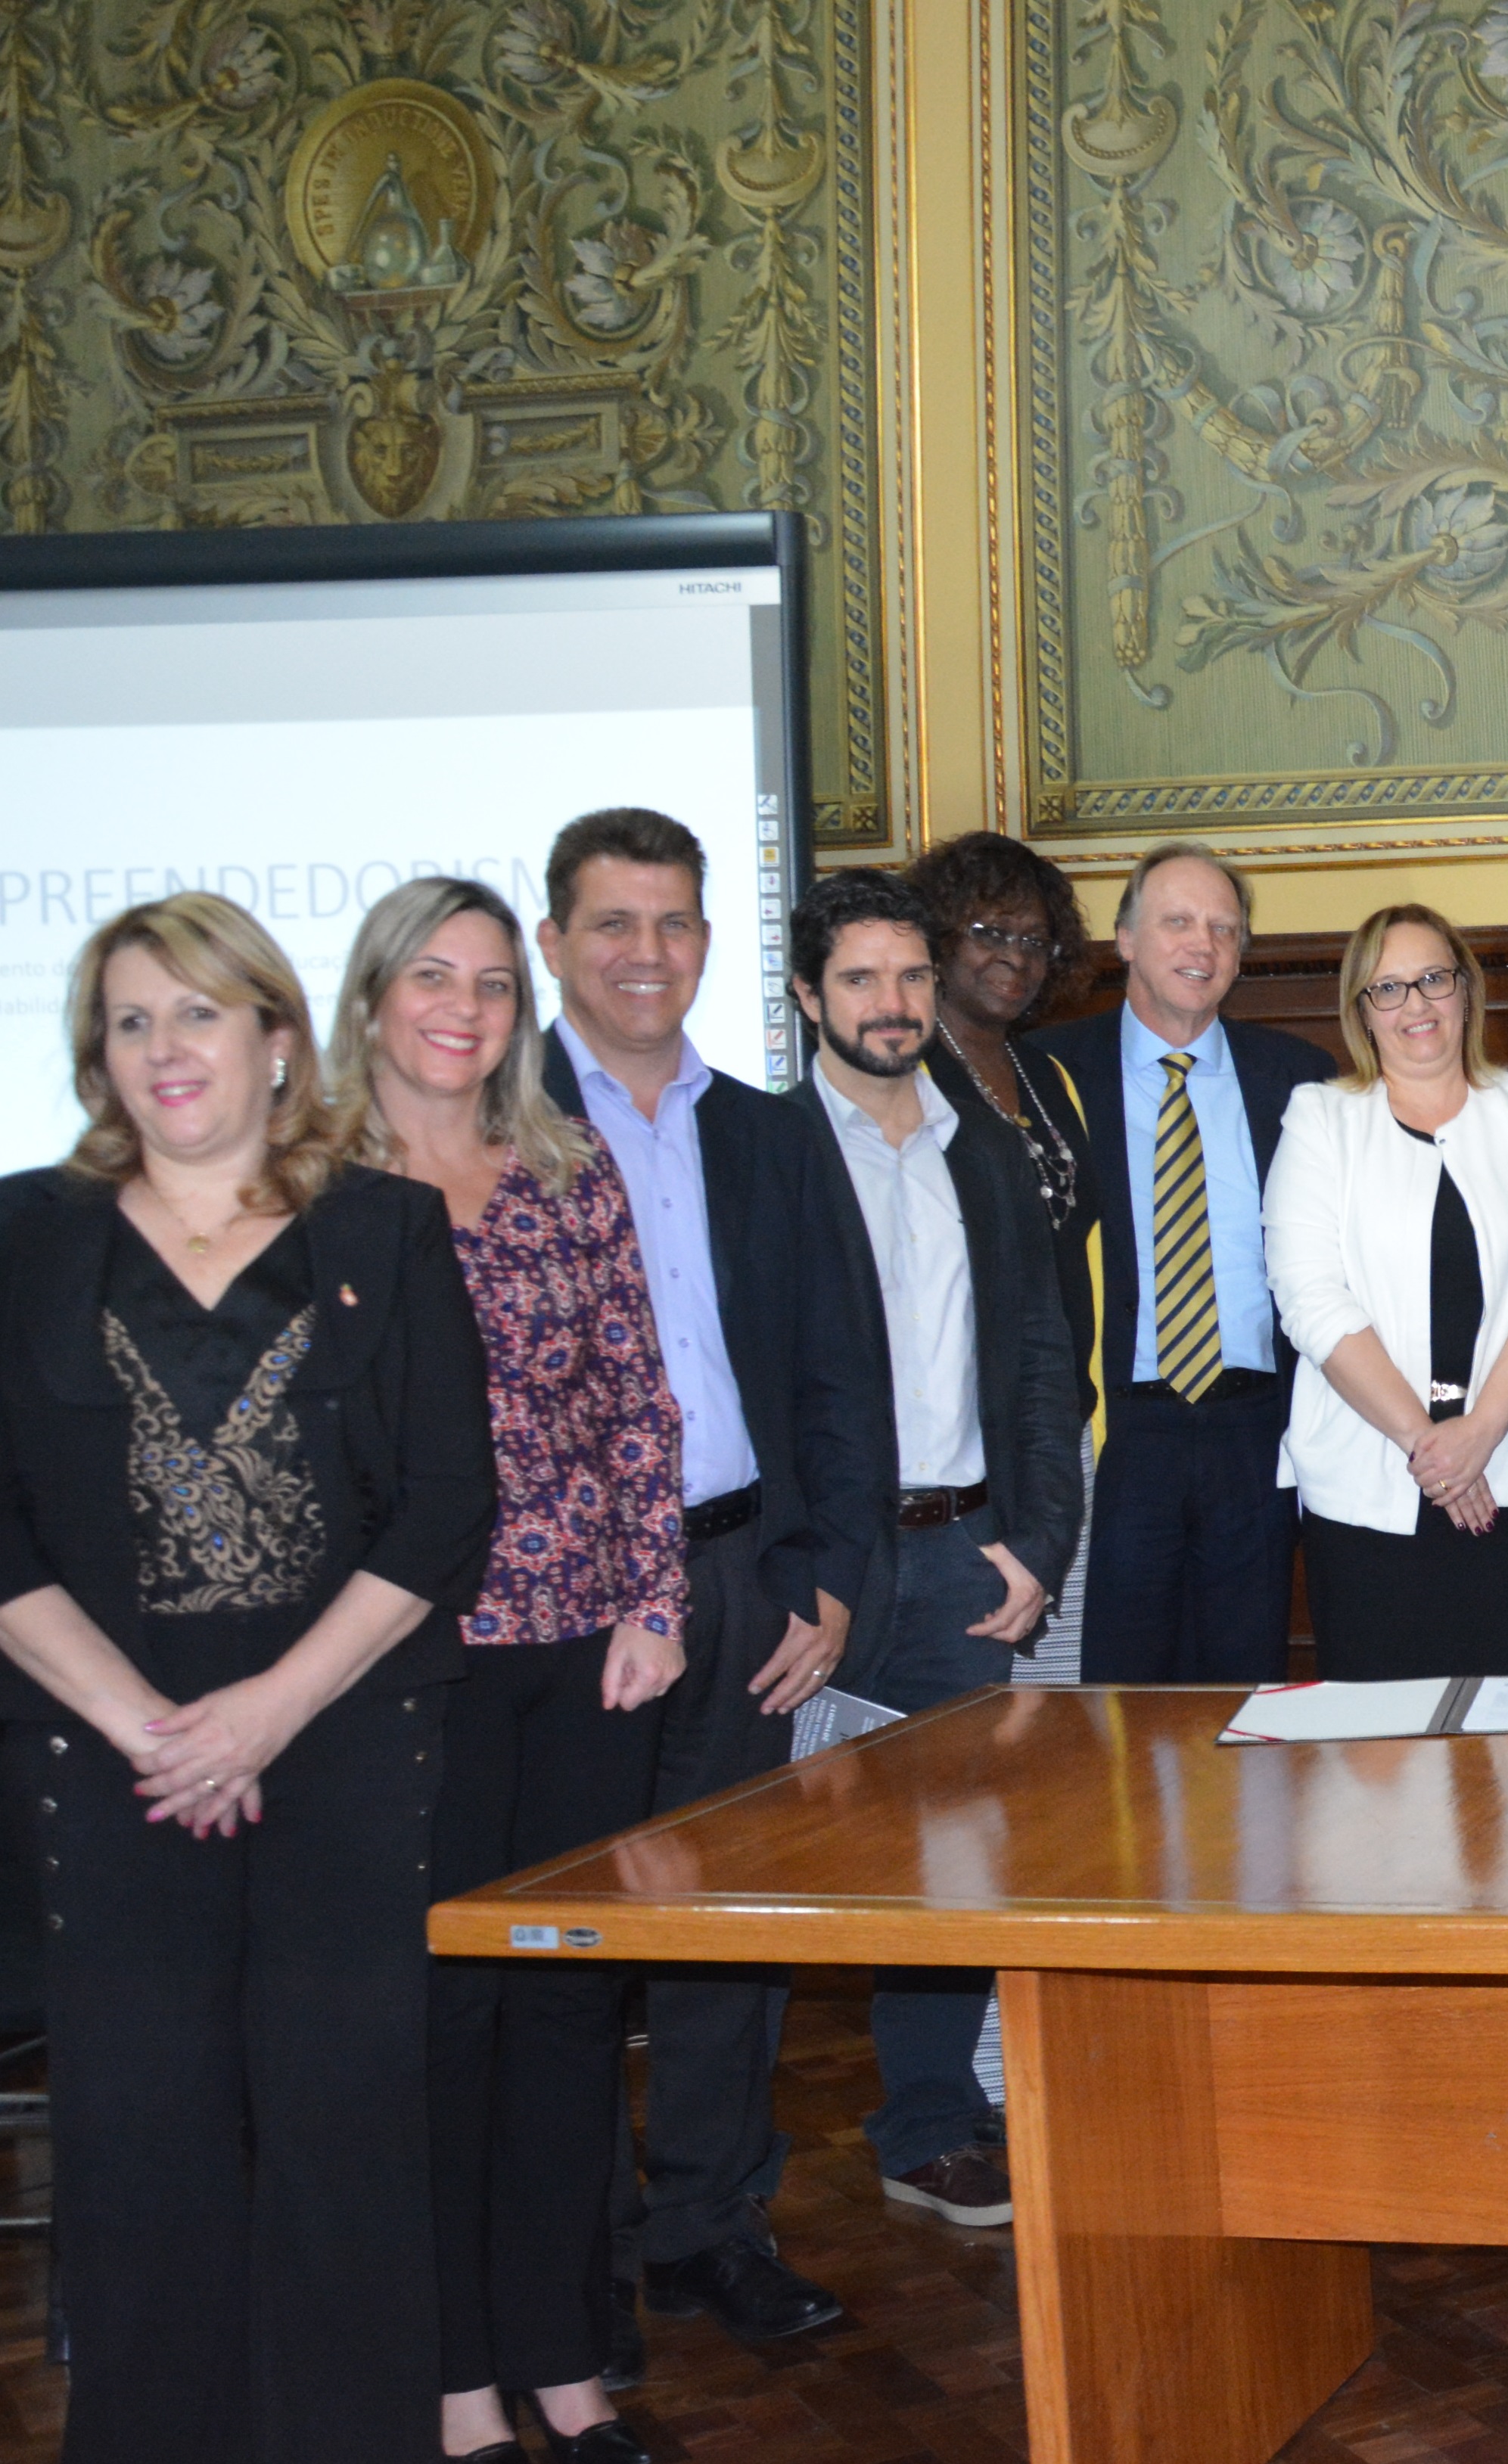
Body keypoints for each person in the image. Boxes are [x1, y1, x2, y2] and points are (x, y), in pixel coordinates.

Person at [0, 894, 496, 2463]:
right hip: (109, 1755)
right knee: (141, 2142)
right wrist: (153, 1729)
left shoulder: (383, 1228)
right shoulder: (23, 1234)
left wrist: (270, 1709)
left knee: (345, 2138)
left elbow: (447, 1502)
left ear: (277, 1038)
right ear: (98, 1055)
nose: (166, 1047)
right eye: (131, 1019)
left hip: (343, 1740)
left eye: (199, 1011)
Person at [329, 880, 689, 2464]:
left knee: (564, 2011)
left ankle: (565, 2362)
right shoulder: (309, 1187)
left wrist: (655, 1598)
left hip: (586, 1651)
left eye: (489, 981)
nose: (464, 1007)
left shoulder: (564, 1164)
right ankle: (457, 2380)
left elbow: (638, 1398)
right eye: (433, 975)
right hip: (403, 1670)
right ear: (372, 997)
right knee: (443, 2021)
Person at [537, 809, 891, 2358]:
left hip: (748, 1571)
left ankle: (706, 2226)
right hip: (566, 1604)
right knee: (568, 1937)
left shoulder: (765, 1131)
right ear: (555, 943)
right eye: (614, 922)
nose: (648, 951)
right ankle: (565, 2270)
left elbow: (838, 1370)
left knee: (722, 1925)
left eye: (675, 921)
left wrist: (827, 1578)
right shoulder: (492, 1123)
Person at [791, 872, 1084, 2235]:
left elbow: (1041, 1356)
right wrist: (799, 1571)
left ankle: (929, 2126)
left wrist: (1040, 1541)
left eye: (911, 974)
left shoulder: (987, 1148)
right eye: (861, 978)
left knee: (956, 1857)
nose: (893, 1002)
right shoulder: (770, 1152)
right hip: (828, 1575)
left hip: (969, 1552)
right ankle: (715, 2192)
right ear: (809, 994)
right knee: (785, 1857)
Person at [1029, 840, 1335, 1684]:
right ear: (1125, 938)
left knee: (1244, 1684)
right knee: (1117, 1693)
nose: (1202, 944)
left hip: (1257, 1429)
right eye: (1177, 922)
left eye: (1223, 928)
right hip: (1120, 1431)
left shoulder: (1298, 1078)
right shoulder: (1049, 1072)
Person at [1263, 906, 1508, 1676]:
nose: (1415, 1003)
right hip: (1369, 1486)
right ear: (1361, 1010)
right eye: (1388, 987)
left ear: (1465, 989)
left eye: (1433, 979)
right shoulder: (1321, 1119)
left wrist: (1480, 1432)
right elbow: (1309, 1298)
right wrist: (1432, 1446)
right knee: (1381, 1737)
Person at [909, 831, 1098, 1412]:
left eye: (1035, 941)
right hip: (960, 1416)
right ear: (937, 938)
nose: (1016, 957)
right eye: (990, 933)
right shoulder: (906, 1078)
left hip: (1067, 1408)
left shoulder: (1051, 1076)